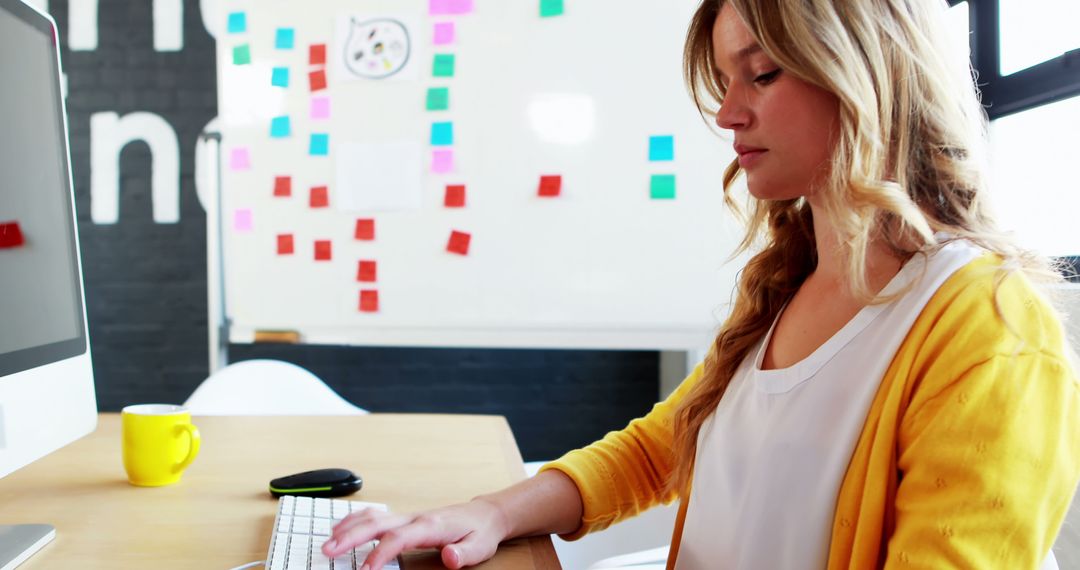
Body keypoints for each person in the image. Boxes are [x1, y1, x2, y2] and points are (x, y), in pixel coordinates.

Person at [323, 0, 1080, 567]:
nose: (726, 112)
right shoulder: (789, 283)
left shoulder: (992, 334)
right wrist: (492, 511)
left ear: (867, 74)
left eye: (762, 73)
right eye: (723, 79)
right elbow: (662, 449)